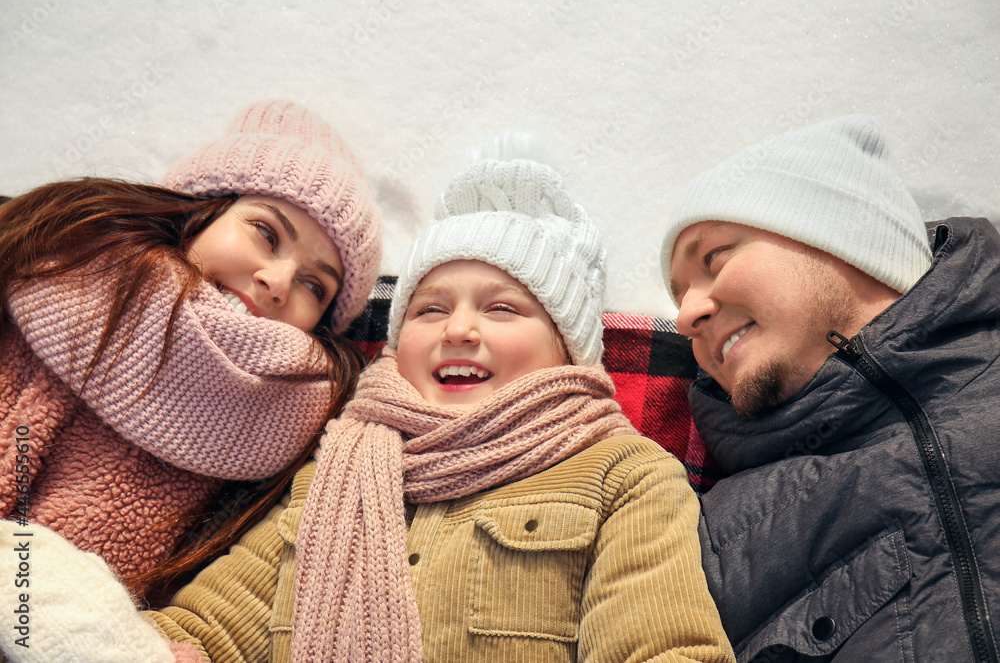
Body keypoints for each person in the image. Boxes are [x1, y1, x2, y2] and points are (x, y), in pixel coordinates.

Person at [2, 140, 737, 663]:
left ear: (567, 349)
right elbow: (215, 622)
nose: (459, 328)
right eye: (429, 309)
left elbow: (660, 642)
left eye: (504, 309)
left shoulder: (622, 474)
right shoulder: (334, 467)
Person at [0, 100, 381, 602]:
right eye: (265, 234)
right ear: (202, 212)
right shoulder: (55, 263)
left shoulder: (299, 432)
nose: (278, 282)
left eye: (315, 285)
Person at [661, 114, 1000, 661]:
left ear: (844, 238)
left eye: (714, 259)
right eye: (679, 296)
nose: (685, 316)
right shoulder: (706, 542)